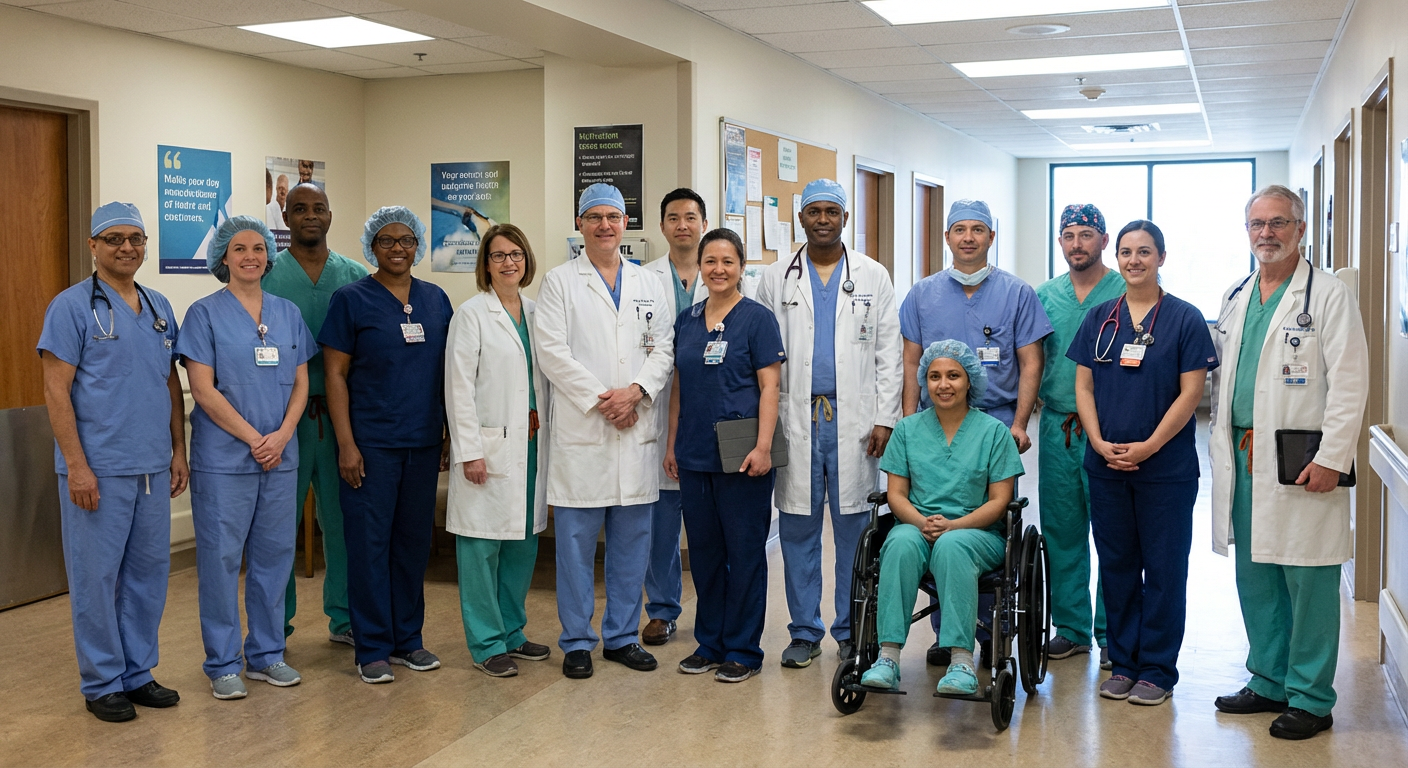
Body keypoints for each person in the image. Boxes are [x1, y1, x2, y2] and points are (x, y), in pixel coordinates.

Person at [1208, 185, 1368, 740]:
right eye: (1257, 224)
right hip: (1244, 458)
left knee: (1309, 579)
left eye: (1278, 223)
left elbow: (1350, 382)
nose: (1267, 233)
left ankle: (1311, 697)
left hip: (1302, 461)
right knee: (1257, 576)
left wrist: (1332, 456)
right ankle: (1269, 679)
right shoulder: (1237, 294)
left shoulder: (1327, 295)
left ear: (1300, 229)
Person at [38, 202, 187, 722]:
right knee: (96, 578)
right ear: (94, 246)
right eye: (115, 238)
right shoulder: (72, 307)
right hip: (97, 468)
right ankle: (102, 681)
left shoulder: (159, 305)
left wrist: (178, 449)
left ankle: (138, 672)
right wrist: (76, 466)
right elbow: (56, 393)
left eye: (137, 238)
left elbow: (169, 380)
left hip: (150, 463)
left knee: (149, 573)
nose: (128, 247)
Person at [1069, 219, 1218, 707]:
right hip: (1106, 463)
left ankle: (1157, 669)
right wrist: (1096, 438)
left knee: (1164, 568)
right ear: (1119, 258)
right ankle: (1124, 663)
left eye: (1145, 252)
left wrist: (1150, 445)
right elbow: (1084, 386)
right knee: (1116, 565)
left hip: (1165, 469)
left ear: (1161, 258)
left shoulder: (1184, 318)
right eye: (1128, 252)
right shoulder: (1099, 318)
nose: (1134, 260)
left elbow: (1192, 392)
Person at [756, 178, 902, 669]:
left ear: (845, 218)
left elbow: (889, 354)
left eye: (831, 212)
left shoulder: (873, 276)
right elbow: (762, 356)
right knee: (797, 529)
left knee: (854, 530)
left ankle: (851, 627)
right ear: (801, 218)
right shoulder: (775, 278)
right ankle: (803, 631)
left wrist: (885, 417)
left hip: (854, 420)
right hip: (795, 417)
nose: (822, 219)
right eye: (813, 211)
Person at [899, 198, 1051, 665]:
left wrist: (1020, 424)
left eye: (977, 229)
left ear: (991, 237)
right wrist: (908, 424)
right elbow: (910, 363)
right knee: (935, 517)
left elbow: (1031, 362)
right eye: (959, 229)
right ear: (946, 238)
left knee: (985, 521)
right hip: (933, 430)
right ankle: (951, 634)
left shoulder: (1017, 293)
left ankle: (990, 631)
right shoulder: (922, 294)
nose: (968, 237)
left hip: (996, 425)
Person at [535, 183, 675, 679]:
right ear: (579, 225)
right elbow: (552, 353)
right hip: (586, 432)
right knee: (573, 546)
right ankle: (576, 640)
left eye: (612, 217)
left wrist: (635, 391)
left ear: (625, 223)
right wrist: (607, 400)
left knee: (631, 544)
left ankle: (620, 636)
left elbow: (664, 347)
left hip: (635, 431)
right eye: (593, 217)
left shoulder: (648, 283)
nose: (604, 226)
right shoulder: (559, 283)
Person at [177, 216, 315, 700]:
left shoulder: (287, 312)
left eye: (259, 247)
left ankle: (267, 654)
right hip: (225, 460)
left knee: (275, 557)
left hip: (280, 456)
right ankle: (222, 662)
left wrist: (280, 436)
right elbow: (203, 389)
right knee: (219, 560)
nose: (250, 256)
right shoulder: (203, 314)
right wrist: (256, 438)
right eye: (240, 248)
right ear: (223, 258)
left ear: (268, 257)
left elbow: (301, 382)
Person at [320, 206, 454, 685]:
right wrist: (346, 445)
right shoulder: (351, 300)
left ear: (418, 244)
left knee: (412, 545)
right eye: (386, 240)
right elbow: (335, 374)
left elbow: (446, 374)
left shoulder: (437, 300)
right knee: (369, 544)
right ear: (370, 247)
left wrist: (445, 433)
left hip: (421, 442)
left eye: (406, 240)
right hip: (371, 445)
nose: (398, 248)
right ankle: (372, 645)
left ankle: (407, 640)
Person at [859, 340, 1025, 695]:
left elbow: (1000, 502)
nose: (943, 384)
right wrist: (920, 523)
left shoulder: (994, 433)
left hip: (978, 533)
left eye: (953, 375)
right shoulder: (907, 430)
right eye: (934, 376)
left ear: (970, 382)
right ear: (924, 381)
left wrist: (954, 525)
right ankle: (887, 658)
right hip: (917, 526)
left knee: (952, 546)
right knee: (899, 542)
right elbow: (896, 495)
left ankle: (962, 662)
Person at [663, 228, 785, 683]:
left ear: (741, 267)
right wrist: (674, 442)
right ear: (700, 265)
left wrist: (763, 446)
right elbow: (678, 386)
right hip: (695, 452)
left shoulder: (757, 319)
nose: (718, 269)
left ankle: (743, 650)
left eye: (727, 262)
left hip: (743, 451)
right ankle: (709, 642)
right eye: (710, 261)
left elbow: (770, 385)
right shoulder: (688, 320)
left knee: (745, 552)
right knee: (708, 554)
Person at [444, 223, 553, 678]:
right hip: (488, 448)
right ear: (485, 265)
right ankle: (487, 642)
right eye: (498, 255)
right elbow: (458, 388)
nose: (509, 262)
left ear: (526, 260)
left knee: (522, 543)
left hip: (531, 446)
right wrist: (470, 451)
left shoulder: (537, 311)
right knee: (481, 546)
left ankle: (513, 631)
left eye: (515, 254)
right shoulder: (471, 314)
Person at [263, 183, 368, 646]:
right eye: (299, 208)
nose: (310, 215)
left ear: (331, 216)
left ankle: (345, 617)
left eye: (318, 208)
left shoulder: (355, 275)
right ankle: (274, 626)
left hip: (341, 419)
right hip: (282, 420)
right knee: (278, 526)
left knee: (344, 522)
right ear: (284, 218)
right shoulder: (265, 274)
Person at [1035, 204, 1125, 667]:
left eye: (1086, 234)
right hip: (1058, 428)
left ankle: (1113, 633)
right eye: (1068, 235)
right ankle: (1071, 628)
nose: (1077, 244)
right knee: (1062, 530)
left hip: (1111, 428)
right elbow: (1031, 360)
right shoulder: (1045, 296)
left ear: (1103, 241)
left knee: (1112, 531)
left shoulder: (1125, 290)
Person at [641, 187, 710, 647]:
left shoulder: (724, 274)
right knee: (661, 526)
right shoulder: (642, 279)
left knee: (709, 528)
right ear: (662, 226)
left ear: (703, 223)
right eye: (673, 217)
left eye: (690, 216)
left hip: (710, 412)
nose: (682, 224)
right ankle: (663, 610)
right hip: (657, 410)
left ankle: (714, 611)